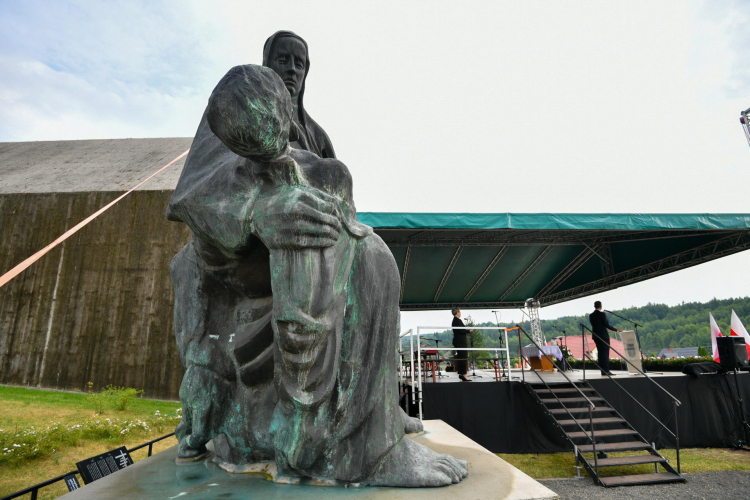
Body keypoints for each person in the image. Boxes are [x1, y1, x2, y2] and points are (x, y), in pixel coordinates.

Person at [263, 31, 336, 159]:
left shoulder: (319, 138)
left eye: (299, 64)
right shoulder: (240, 113)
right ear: (268, 65)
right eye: (283, 60)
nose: (292, 69)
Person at [589, 301, 622, 376]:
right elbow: (606, 325)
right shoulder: (602, 314)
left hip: (596, 336)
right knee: (605, 354)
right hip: (603, 336)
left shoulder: (591, 315)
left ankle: (602, 371)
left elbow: (595, 325)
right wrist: (616, 329)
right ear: (600, 306)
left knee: (600, 354)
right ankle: (606, 371)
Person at [451, 308, 472, 381]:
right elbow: (461, 330)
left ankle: (461, 373)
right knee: (463, 357)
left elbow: (459, 331)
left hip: (458, 340)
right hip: (460, 341)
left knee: (461, 357)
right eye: (460, 312)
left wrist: (465, 332)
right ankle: (464, 374)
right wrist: (469, 331)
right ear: (457, 312)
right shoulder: (457, 320)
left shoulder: (455, 320)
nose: (460, 313)